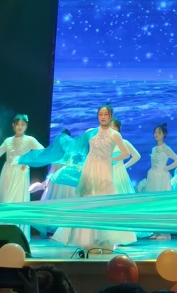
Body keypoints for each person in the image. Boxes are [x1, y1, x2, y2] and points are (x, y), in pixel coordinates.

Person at [53, 104, 137, 251]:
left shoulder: (115, 134)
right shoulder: (91, 132)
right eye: (100, 114)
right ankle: (89, 241)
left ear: (111, 116)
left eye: (106, 114)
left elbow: (126, 153)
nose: (103, 117)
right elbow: (79, 148)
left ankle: (107, 241)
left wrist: (110, 159)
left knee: (104, 203)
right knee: (89, 201)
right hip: (90, 171)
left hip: (105, 172)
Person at [0, 114, 44, 240]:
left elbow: (42, 151)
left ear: (26, 126)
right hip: (7, 173)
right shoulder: (8, 141)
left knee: (16, 201)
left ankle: (15, 233)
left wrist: (27, 160)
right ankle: (2, 232)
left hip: (20, 173)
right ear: (13, 125)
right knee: (5, 200)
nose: (20, 127)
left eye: (23, 124)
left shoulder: (29, 140)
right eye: (18, 124)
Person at [145, 123, 177, 240]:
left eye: (159, 133)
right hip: (153, 176)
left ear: (164, 134)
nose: (156, 135)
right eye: (155, 132)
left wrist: (167, 168)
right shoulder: (154, 149)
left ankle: (164, 233)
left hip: (162, 178)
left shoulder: (166, 148)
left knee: (162, 204)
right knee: (153, 204)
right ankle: (156, 230)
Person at [110, 118, 141, 195]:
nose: (112, 129)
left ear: (119, 128)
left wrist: (124, 166)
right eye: (110, 126)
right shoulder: (105, 144)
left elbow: (136, 156)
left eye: (114, 126)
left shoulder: (124, 142)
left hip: (119, 174)